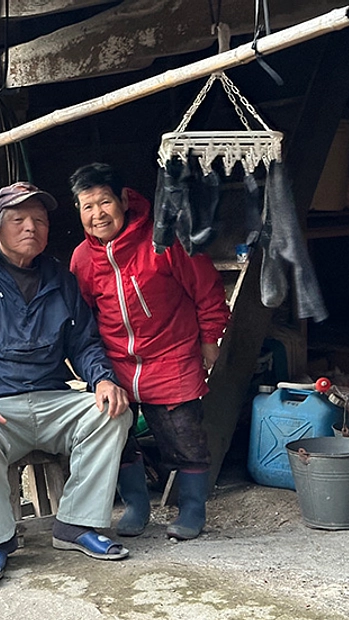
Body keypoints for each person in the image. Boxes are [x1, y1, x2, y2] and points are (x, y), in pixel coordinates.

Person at [0, 181, 133, 584]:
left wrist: (103, 379)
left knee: (111, 414)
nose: (30, 228)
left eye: (39, 220)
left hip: (54, 400)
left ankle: (75, 524)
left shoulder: (61, 279)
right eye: (18, 220)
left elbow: (85, 343)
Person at [68, 162, 230, 540]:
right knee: (117, 439)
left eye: (104, 202)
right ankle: (137, 505)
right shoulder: (82, 259)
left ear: (124, 199)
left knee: (186, 437)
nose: (97, 214)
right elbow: (83, 317)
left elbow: (207, 291)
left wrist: (209, 341)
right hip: (116, 364)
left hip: (172, 356)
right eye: (87, 207)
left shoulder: (166, 239)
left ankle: (192, 509)